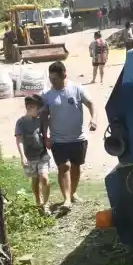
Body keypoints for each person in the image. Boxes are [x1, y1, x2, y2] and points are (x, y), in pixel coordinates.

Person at [41, 61, 96, 209]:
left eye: (55, 79)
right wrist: (45, 136)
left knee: (76, 167)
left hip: (78, 138)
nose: (52, 82)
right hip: (58, 139)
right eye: (50, 79)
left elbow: (90, 103)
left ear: (64, 75)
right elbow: (44, 116)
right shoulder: (47, 95)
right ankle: (66, 199)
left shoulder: (77, 89)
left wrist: (93, 119)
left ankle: (73, 193)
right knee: (64, 166)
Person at [14, 95, 51, 214]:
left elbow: (45, 133)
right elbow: (19, 139)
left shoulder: (40, 120)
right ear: (29, 107)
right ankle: (38, 201)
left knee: (44, 178)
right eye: (37, 108)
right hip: (29, 156)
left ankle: (46, 204)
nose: (39, 111)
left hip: (42, 154)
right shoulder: (20, 123)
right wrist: (22, 156)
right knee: (35, 180)